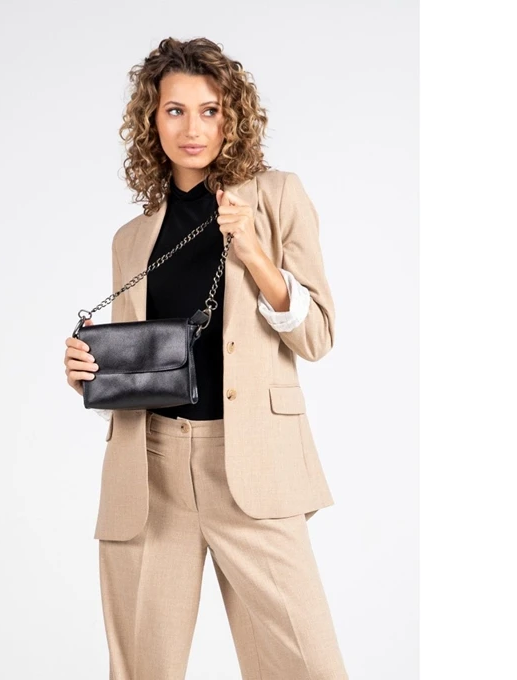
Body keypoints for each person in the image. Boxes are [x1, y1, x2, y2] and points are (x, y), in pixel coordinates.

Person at [64, 37, 349, 680]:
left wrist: (255, 255)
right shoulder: (132, 238)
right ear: (151, 119)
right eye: (175, 110)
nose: (192, 128)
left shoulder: (276, 198)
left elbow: (318, 336)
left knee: (308, 666)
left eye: (210, 110)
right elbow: (145, 364)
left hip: (252, 466)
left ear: (232, 117)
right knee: (143, 669)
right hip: (151, 472)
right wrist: (89, 373)